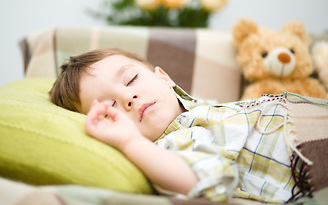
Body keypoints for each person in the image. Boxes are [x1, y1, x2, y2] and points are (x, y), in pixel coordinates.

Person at [49, 48, 327, 203]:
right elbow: (207, 181)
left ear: (164, 77)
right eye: (109, 108)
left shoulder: (202, 110)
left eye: (131, 79)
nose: (127, 97)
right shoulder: (173, 143)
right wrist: (129, 142)